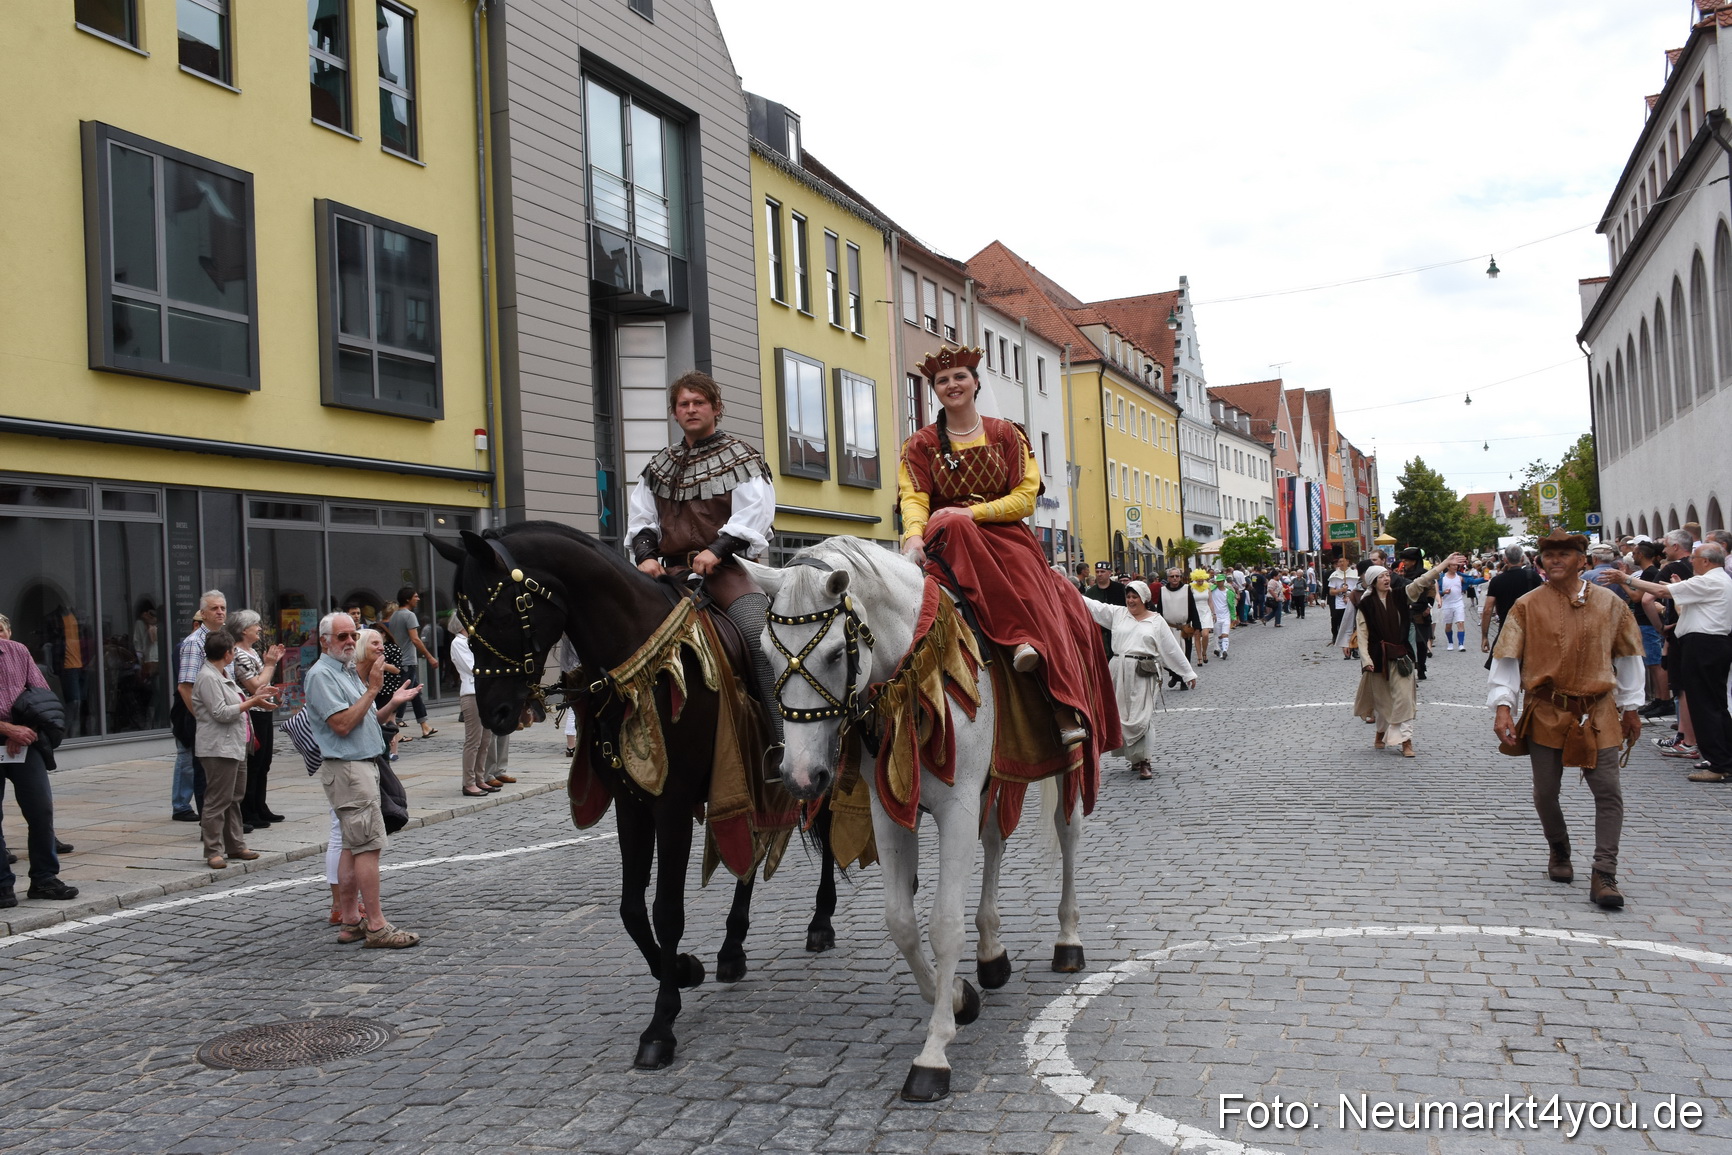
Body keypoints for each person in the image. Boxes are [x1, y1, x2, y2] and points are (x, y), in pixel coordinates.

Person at [898, 345, 1119, 754]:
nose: (952, 385)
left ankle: (1061, 702)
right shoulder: (921, 443)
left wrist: (973, 513)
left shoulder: (1006, 434)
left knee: (1042, 598)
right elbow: (914, 497)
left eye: (960, 377)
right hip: (946, 539)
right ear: (935, 390)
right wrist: (913, 534)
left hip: (1005, 536)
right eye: (943, 380)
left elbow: (1026, 497)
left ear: (975, 383)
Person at [629, 370, 784, 770]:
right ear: (674, 413)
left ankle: (781, 741)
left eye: (699, 402)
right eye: (684, 404)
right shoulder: (659, 466)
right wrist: (645, 555)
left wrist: (717, 549)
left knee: (760, 639)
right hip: (670, 575)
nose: (691, 409)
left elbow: (755, 515)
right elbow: (643, 518)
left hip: (729, 572)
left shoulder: (742, 458)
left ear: (716, 408)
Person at [1494, 529, 1645, 909]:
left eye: (1564, 554)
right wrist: (1503, 707)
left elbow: (1628, 657)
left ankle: (1604, 871)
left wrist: (1631, 707)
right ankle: (1559, 847)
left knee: (1608, 792)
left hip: (1598, 710)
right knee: (1545, 792)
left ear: (1582, 560)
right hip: (1546, 709)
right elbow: (1507, 660)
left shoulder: (1611, 603)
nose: (1555, 560)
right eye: (1549, 555)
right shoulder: (1527, 605)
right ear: (1540, 562)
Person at [305, 612, 421, 947]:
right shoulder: (322, 675)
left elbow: (366, 719)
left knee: (351, 846)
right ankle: (377, 925)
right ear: (324, 640)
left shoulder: (344, 671)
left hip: (360, 766)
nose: (349, 641)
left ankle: (351, 920)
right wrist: (372, 688)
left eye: (352, 635)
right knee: (368, 847)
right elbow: (342, 725)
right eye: (341, 636)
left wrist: (389, 701)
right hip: (349, 769)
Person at [1602, 540, 1732, 781]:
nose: (1691, 562)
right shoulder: (1717, 580)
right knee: (1713, 703)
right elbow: (1682, 602)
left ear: (1705, 561)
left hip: (1704, 645)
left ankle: (1719, 764)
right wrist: (1677, 589)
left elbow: (1660, 593)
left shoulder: (1710, 580)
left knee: (1704, 705)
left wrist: (1625, 578)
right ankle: (1722, 759)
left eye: (1694, 559)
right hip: (1710, 644)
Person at [0, 613, 78, 905]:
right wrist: (7, 728)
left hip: (25, 740)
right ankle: (2, 885)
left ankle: (44, 879)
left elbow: (41, 694)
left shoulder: (18, 651)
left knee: (40, 810)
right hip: (11, 733)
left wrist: (24, 727)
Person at [1081, 581, 1194, 779]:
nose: (1131, 601)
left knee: (1143, 716)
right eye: (1128, 597)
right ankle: (1134, 758)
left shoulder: (1156, 621)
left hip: (1144, 671)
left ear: (1144, 599)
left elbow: (1170, 648)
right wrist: (1064, 588)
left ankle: (1145, 761)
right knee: (1123, 714)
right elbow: (1093, 606)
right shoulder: (1118, 614)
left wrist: (1187, 673)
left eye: (1135, 597)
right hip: (1119, 669)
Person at [1354, 555, 1457, 757]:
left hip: (1401, 656)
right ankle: (1381, 732)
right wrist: (1366, 660)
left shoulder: (1401, 595)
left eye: (1387, 575)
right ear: (1373, 581)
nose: (1386, 579)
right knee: (1383, 701)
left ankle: (1406, 740)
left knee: (1405, 700)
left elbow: (1421, 582)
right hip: (1378, 658)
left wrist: (1444, 565)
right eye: (1381, 576)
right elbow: (1362, 634)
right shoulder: (1366, 604)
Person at [190, 630, 275, 870]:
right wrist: (252, 702)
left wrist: (257, 696)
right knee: (218, 800)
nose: (234, 655)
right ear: (227, 653)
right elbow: (221, 713)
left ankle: (235, 844)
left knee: (235, 798)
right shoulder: (208, 677)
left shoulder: (222, 674)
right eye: (233, 651)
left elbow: (234, 704)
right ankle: (213, 850)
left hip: (235, 746)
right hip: (218, 748)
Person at [172, 590, 227, 821]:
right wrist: (202, 717)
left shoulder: (223, 639)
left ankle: (224, 822)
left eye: (223, 608)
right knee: (204, 772)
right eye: (214, 608)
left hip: (222, 714)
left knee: (223, 772)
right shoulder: (194, 643)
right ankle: (209, 825)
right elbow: (185, 687)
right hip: (204, 717)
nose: (220, 612)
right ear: (203, 614)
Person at [229, 610, 285, 829]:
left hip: (263, 710)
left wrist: (272, 684)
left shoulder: (251, 651)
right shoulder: (238, 654)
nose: (259, 628)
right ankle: (248, 810)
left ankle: (260, 806)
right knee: (254, 762)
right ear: (244, 630)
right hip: (253, 712)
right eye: (256, 625)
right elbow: (255, 686)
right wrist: (270, 664)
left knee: (264, 762)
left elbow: (264, 682)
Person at [387, 587, 439, 741]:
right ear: (408, 599)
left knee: (415, 694)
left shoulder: (394, 615)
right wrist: (430, 657)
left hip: (399, 661)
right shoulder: (409, 615)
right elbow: (415, 639)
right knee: (401, 695)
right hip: (407, 662)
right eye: (415, 596)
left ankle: (424, 726)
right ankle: (394, 729)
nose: (418, 599)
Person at [1150, 567, 1208, 675]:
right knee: (1170, 656)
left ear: (1180, 577)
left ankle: (1183, 679)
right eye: (1172, 576)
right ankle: (1175, 676)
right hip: (1169, 629)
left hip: (1184, 629)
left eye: (1177, 576)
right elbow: (1160, 609)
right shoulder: (1163, 591)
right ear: (1168, 578)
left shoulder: (1186, 589)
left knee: (1185, 655)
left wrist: (1197, 625)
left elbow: (1192, 607)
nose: (1175, 578)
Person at [1395, 548, 1436, 679]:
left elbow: (1431, 591)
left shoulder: (1424, 574)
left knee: (1421, 642)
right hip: (1406, 611)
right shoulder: (1402, 574)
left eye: (1406, 560)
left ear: (1414, 561)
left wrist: (1428, 606)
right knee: (1407, 642)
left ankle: (1421, 668)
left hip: (1421, 612)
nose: (1404, 563)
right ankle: (1410, 668)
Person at [1082, 562, 1127, 657]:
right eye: (1097, 571)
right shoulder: (1090, 593)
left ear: (1110, 573)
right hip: (1099, 635)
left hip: (1119, 633)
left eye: (1102, 571)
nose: (1099, 574)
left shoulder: (1120, 589)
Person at [1328, 555, 1357, 656]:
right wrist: (1341, 590)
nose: (1341, 563)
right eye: (1339, 561)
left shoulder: (1354, 574)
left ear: (1348, 562)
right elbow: (1331, 592)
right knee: (1343, 627)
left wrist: (1350, 597)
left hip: (1352, 603)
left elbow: (1358, 588)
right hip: (1340, 605)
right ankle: (1346, 648)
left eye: (1343, 561)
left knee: (1354, 626)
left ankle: (1355, 647)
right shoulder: (1334, 575)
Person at [1437, 559, 1467, 651]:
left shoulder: (1460, 577)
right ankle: (1450, 642)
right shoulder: (1442, 578)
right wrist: (1443, 592)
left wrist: (1484, 579)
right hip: (1447, 604)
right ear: (1448, 566)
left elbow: (1470, 582)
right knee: (1448, 625)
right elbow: (1437, 591)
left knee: (1460, 622)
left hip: (1458, 603)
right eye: (1453, 565)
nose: (1455, 567)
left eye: (1456, 565)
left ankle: (1461, 644)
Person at [1208, 573, 1234, 659]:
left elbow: (1232, 605)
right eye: (1218, 581)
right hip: (1216, 617)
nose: (1219, 583)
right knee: (1219, 636)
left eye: (1221, 581)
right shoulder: (1212, 591)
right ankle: (1222, 651)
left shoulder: (1228, 592)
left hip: (1226, 616)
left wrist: (1233, 616)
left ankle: (1225, 651)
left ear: (1223, 581)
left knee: (1225, 634)